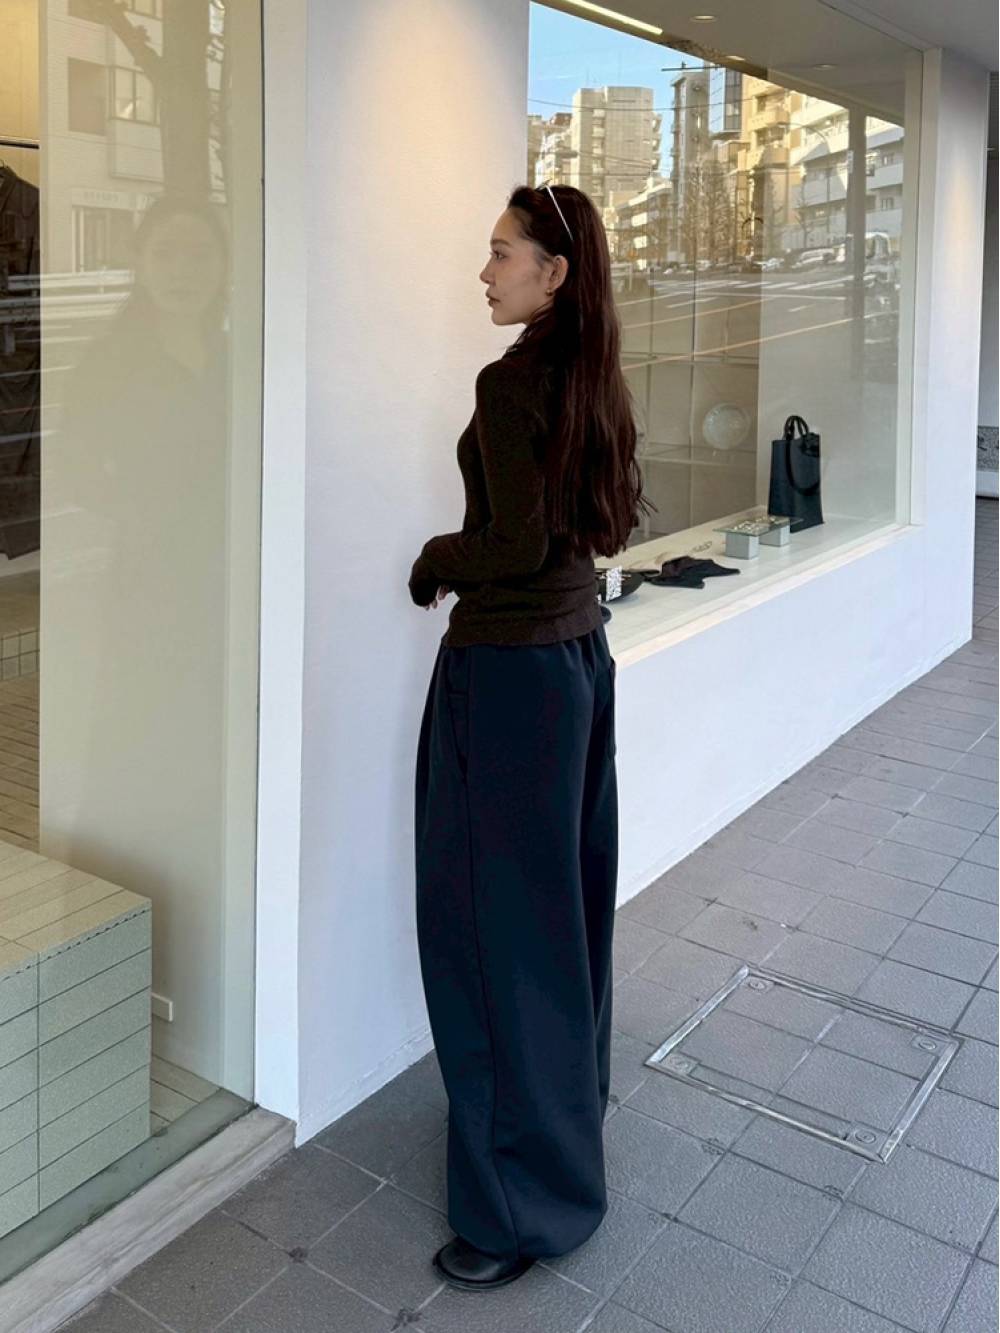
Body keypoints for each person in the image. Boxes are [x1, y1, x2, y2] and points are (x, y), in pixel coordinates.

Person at [408, 182, 653, 1292]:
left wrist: (432, 559)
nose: (486, 270)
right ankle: (560, 1135)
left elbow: (509, 545)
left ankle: (517, 1208)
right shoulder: (593, 375)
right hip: (575, 667)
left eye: (502, 253)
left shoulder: (512, 383)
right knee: (561, 922)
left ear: (555, 273)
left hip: (508, 681)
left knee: (488, 931)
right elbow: (575, 536)